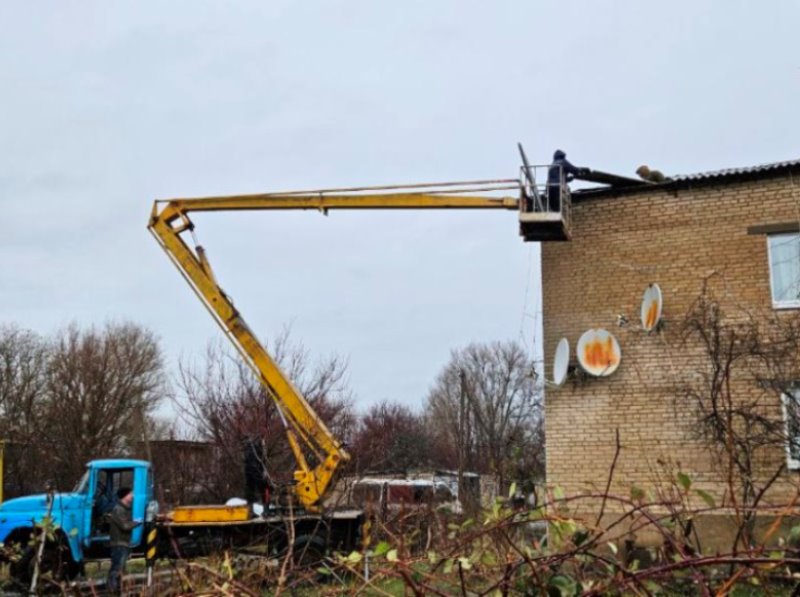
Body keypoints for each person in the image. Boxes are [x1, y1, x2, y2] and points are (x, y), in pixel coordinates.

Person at [106, 487, 142, 594]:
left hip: (123, 543)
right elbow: (125, 526)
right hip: (119, 544)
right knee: (116, 568)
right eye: (131, 494)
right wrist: (137, 522)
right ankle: (111, 590)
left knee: (120, 568)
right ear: (125, 496)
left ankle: (116, 589)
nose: (132, 496)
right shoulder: (119, 510)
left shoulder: (124, 509)